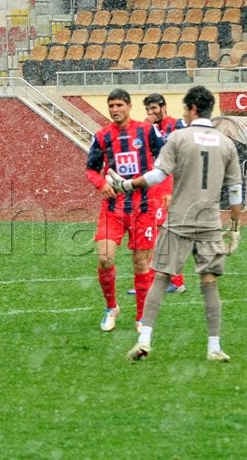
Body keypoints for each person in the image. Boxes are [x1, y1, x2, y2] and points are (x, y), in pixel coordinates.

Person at [109, 86, 241, 363]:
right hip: (209, 223)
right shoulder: (226, 142)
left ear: (192, 108)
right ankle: (214, 347)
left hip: (179, 220)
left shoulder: (179, 137)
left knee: (160, 278)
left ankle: (144, 341)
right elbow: (236, 190)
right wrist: (235, 227)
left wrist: (127, 185)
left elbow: (157, 175)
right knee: (209, 284)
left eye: (185, 108)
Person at [84, 87, 164, 332]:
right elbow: (90, 169)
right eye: (111, 106)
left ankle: (141, 317)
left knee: (141, 263)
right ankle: (112, 307)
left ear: (129, 106)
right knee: (105, 258)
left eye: (119, 105)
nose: (115, 110)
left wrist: (162, 190)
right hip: (113, 208)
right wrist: (101, 184)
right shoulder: (101, 137)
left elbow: (165, 160)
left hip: (143, 208)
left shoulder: (147, 131)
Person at [143, 93, 186, 295]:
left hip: (172, 186)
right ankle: (171, 281)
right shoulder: (149, 129)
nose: (151, 113)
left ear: (163, 107)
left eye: (154, 109)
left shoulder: (177, 125)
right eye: (148, 110)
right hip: (156, 187)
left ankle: (171, 281)